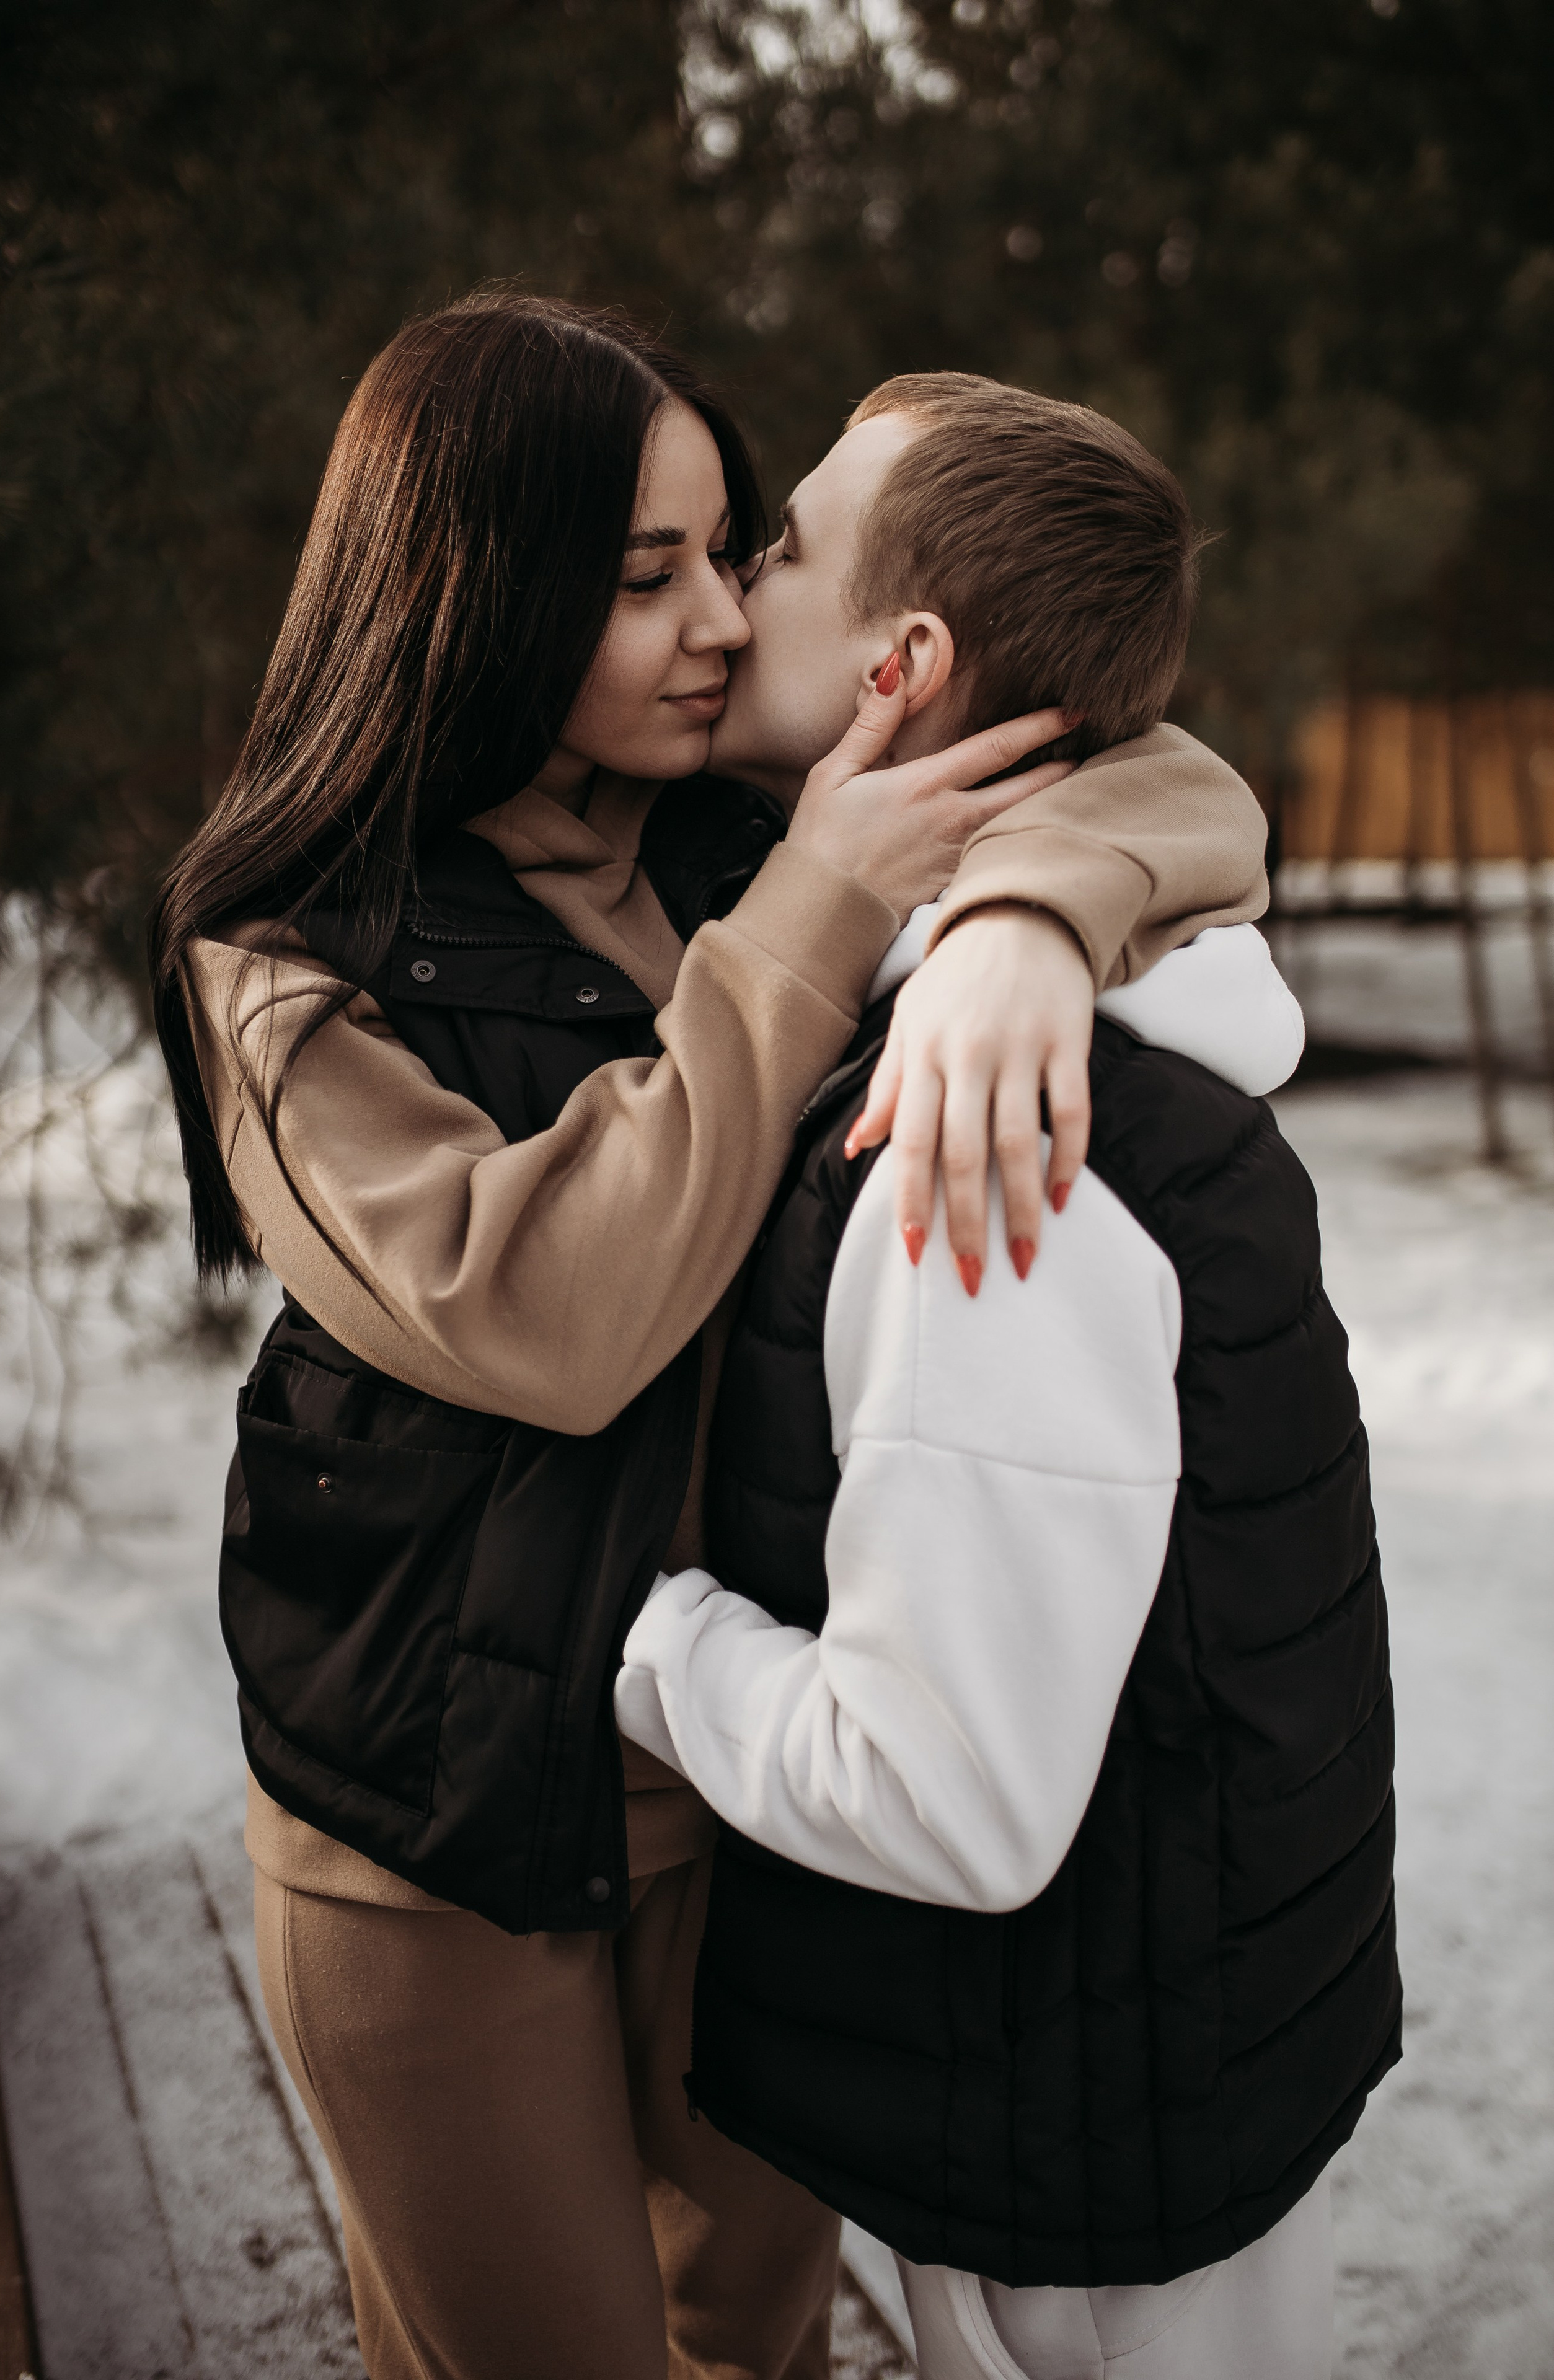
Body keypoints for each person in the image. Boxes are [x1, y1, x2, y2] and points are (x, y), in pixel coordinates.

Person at [149, 300, 1269, 2380]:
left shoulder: (746, 817)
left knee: (757, 2349)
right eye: (641, 571)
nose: (714, 619)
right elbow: (552, 1314)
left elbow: (1165, 769)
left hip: (755, 1793)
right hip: (440, 1828)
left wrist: (1025, 920)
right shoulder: (289, 961)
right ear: (471, 588)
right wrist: (819, 924)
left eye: (728, 551)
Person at [616, 376, 1400, 2380]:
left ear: (904, 664)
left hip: (1089, 2124)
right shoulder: (1088, 1010)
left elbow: (945, 1795)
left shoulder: (991, 1148)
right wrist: (1019, 915)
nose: (730, 590)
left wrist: (638, 1627)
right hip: (1167, 2048)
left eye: (773, 546)